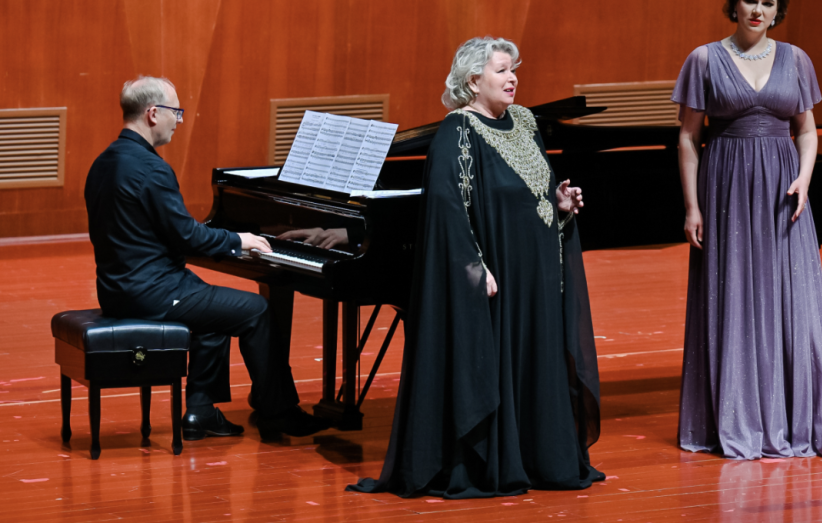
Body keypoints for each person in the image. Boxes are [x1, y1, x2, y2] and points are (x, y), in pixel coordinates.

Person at [348, 37, 604, 498]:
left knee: (537, 356)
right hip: (496, 272)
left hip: (536, 273)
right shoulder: (458, 132)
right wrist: (473, 267)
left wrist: (560, 204)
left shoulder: (525, 122)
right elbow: (447, 209)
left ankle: (538, 456)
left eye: (513, 70)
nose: (513, 78)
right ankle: (494, 461)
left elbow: (532, 193)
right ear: (473, 80)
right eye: (502, 70)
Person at [672, 0, 822, 459]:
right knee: (733, 293)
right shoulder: (704, 59)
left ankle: (794, 417)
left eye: (768, 4)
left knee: (791, 298)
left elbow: (807, 129)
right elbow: (689, 138)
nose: (758, 10)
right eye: (751, 0)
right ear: (734, 3)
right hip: (727, 187)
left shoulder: (797, 59)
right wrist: (693, 206)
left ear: (778, 12)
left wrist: (804, 178)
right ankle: (738, 417)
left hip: (783, 188)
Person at [84, 76, 330, 441]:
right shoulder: (151, 168)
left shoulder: (103, 162)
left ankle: (200, 412)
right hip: (152, 292)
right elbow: (187, 236)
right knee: (256, 311)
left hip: (116, 289)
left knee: (215, 314)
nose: (178, 120)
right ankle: (278, 412)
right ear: (153, 114)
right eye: (175, 112)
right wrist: (239, 240)